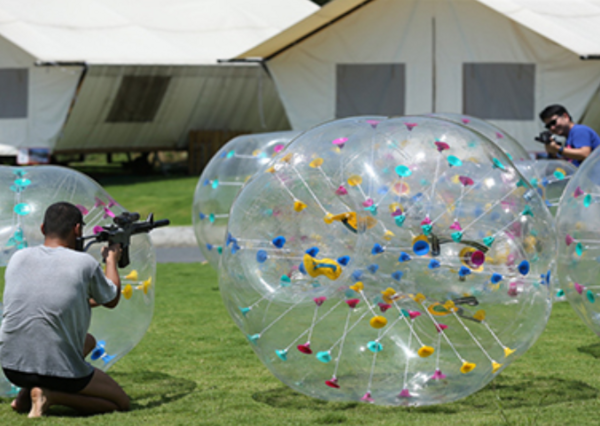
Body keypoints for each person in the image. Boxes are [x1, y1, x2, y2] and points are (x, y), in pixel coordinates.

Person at [0, 202, 130, 417]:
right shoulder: (84, 263)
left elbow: (50, 300)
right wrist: (111, 260)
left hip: (12, 367)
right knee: (120, 403)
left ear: (43, 228)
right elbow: (112, 298)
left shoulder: (19, 257)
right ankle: (51, 396)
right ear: (77, 230)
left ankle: (24, 396)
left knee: (88, 341)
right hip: (56, 369)